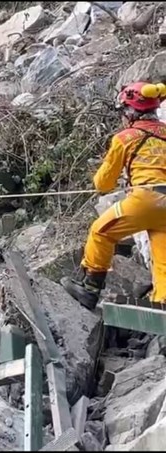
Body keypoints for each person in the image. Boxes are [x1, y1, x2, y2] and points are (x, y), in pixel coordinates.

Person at [61, 81, 166, 310]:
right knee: (163, 261)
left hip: (145, 200)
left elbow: (103, 184)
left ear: (130, 112)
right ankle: (162, 307)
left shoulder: (125, 138)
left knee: (101, 232)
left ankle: (90, 289)